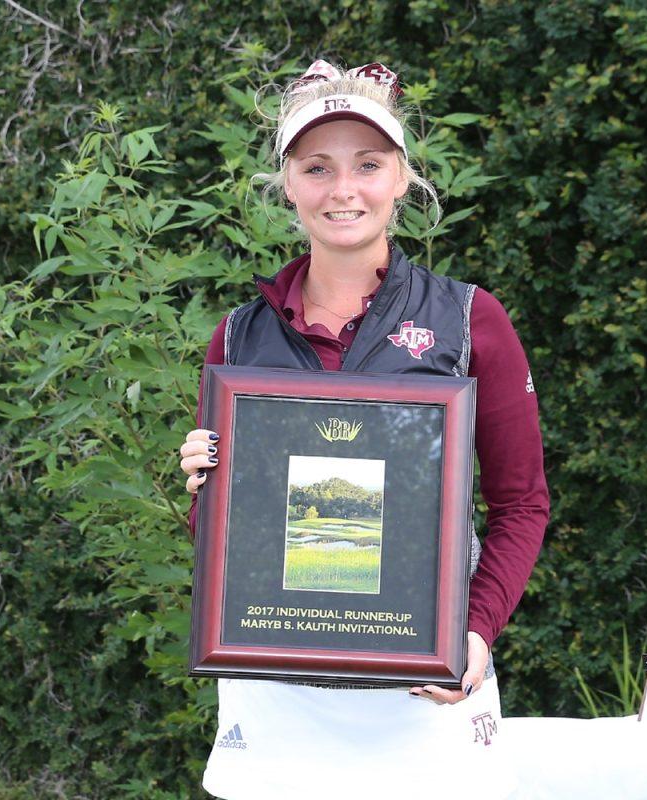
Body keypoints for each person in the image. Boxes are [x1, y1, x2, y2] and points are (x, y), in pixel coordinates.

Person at [178, 59, 549, 800]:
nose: (343, 190)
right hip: (276, 702)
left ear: (402, 177)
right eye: (317, 167)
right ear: (287, 183)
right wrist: (207, 488)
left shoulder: (472, 320)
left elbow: (521, 505)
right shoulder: (236, 337)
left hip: (425, 699)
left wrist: (472, 634)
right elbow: (226, 537)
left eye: (367, 165)